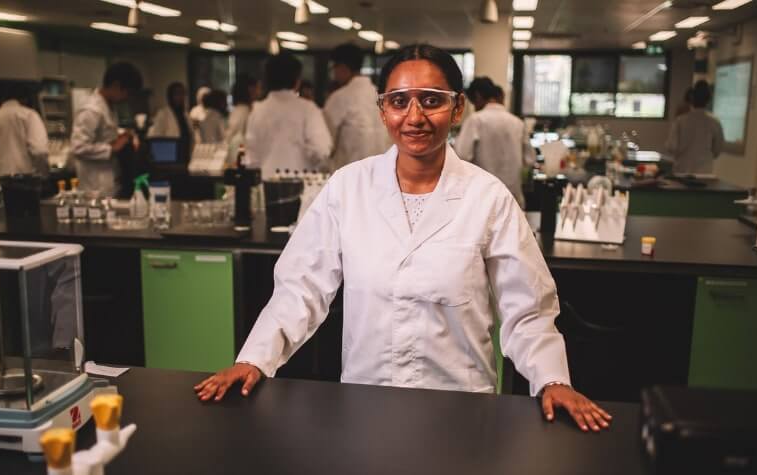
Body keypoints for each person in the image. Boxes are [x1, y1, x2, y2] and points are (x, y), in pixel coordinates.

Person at [196, 44, 612, 433]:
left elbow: (527, 308)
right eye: (398, 101)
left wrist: (553, 380)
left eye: (431, 99)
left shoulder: (488, 198)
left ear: (457, 108)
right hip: (365, 401)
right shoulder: (348, 188)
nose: (414, 117)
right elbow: (300, 287)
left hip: (461, 409)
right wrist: (254, 358)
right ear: (383, 110)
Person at [244, 53, 332, 178]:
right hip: (301, 182)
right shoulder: (308, 109)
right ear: (297, 81)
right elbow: (322, 150)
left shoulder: (257, 110)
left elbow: (251, 157)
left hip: (265, 181)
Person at [455, 77, 535, 206]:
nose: (475, 107)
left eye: (473, 103)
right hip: (513, 198)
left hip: (483, 198)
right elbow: (530, 159)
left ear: (478, 96)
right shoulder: (517, 123)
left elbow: (462, 156)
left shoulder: (475, 120)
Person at [69, 62, 142, 197]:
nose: (127, 98)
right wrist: (112, 148)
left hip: (110, 183)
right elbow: (78, 147)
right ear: (115, 86)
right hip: (94, 187)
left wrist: (123, 135)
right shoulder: (91, 110)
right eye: (127, 92)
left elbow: (104, 134)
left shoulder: (109, 106)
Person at [323, 43, 389, 171]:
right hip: (382, 170)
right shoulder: (380, 95)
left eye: (334, 68)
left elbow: (326, 143)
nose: (334, 74)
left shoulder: (339, 97)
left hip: (349, 173)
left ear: (342, 67)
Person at [0, 82, 49, 178]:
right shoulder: (29, 115)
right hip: (23, 180)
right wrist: (43, 174)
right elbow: (40, 151)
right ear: (26, 99)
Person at [665, 80, 724, 175]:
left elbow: (671, 146)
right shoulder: (714, 122)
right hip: (704, 174)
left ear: (692, 98)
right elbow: (717, 150)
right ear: (708, 99)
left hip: (682, 171)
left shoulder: (680, 121)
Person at [147, 82, 192, 161]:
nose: (180, 97)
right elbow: (156, 137)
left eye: (182, 94)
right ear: (170, 96)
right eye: (177, 93)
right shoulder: (163, 114)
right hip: (170, 156)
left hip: (186, 154)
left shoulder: (185, 114)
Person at [225, 74, 259, 145]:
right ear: (250, 89)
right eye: (257, 88)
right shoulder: (242, 111)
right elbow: (233, 138)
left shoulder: (244, 110)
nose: (259, 91)